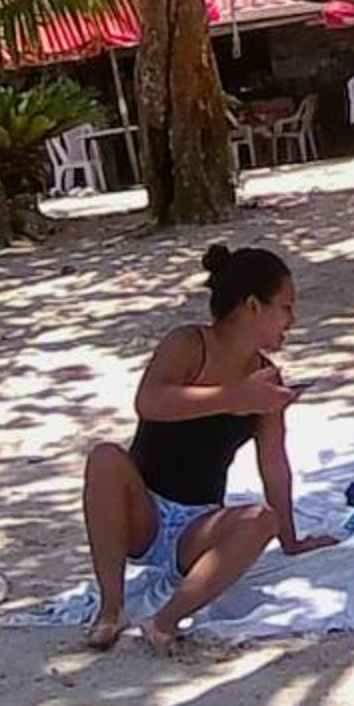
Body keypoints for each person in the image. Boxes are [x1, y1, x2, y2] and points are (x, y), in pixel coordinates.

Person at [82, 243, 334, 654]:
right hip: (142, 510)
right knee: (104, 457)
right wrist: (232, 398)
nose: (291, 320)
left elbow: (274, 464)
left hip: (198, 524)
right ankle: (111, 610)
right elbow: (150, 402)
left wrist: (289, 538)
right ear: (253, 306)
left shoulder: (267, 378)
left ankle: (165, 621)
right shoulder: (187, 344)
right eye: (285, 307)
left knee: (261, 519)